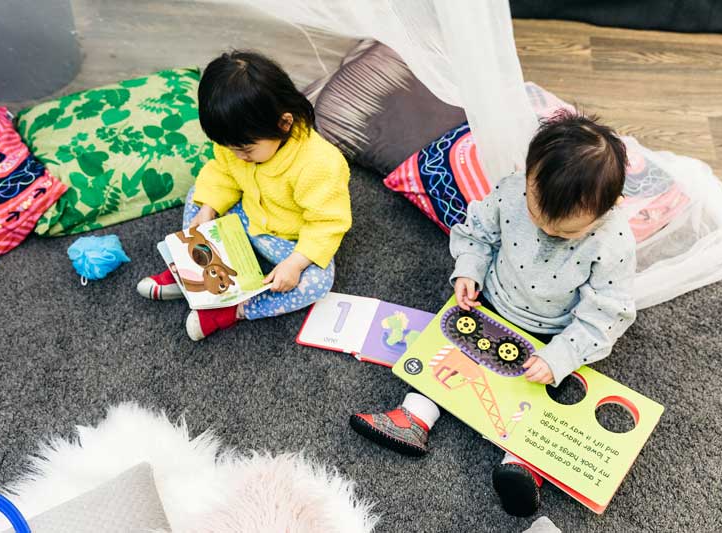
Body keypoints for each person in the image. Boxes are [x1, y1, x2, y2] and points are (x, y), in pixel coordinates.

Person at [350, 110, 636, 517]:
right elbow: (476, 233)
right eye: (539, 217)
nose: (549, 233)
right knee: (448, 352)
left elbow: (606, 315)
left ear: (610, 208)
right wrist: (469, 269)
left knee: (540, 393)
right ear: (528, 177)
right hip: (492, 304)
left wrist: (561, 357)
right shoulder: (510, 192)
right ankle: (413, 417)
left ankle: (522, 465)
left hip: (554, 334)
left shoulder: (614, 243)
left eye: (567, 231)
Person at [137, 50, 351, 341]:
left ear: (284, 123)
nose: (238, 156)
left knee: (318, 283)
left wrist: (295, 263)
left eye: (246, 150)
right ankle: (192, 275)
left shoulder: (320, 164)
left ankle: (233, 309)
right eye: (231, 148)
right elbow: (222, 173)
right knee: (198, 196)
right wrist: (208, 210)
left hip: (286, 240)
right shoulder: (238, 143)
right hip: (245, 215)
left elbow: (328, 223)